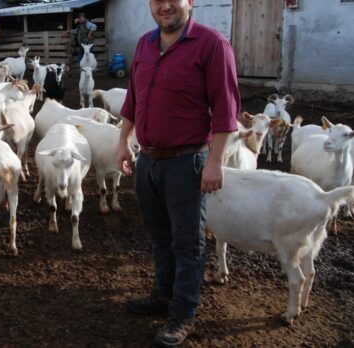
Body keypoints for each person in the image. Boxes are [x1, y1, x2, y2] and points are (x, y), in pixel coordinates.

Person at [115, 0, 240, 346]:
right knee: (160, 236)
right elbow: (133, 99)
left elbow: (227, 109)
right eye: (157, 1)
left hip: (187, 162)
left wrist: (214, 161)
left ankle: (184, 313)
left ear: (189, 2)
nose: (165, 6)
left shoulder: (213, 45)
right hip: (148, 160)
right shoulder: (145, 43)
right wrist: (123, 141)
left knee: (188, 242)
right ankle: (164, 295)